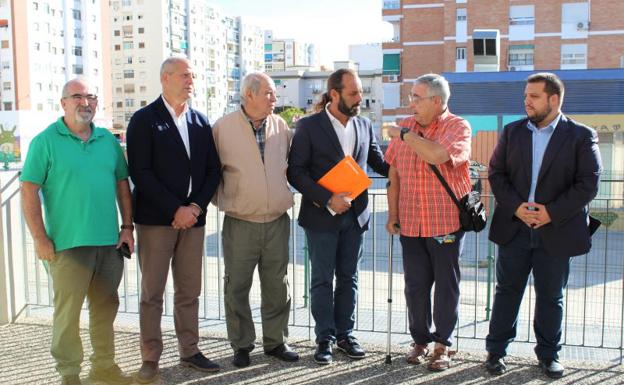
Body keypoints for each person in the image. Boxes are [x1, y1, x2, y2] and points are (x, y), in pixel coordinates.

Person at [485, 72, 602, 378]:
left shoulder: (580, 135)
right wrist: (517, 207)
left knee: (551, 296)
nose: (526, 101)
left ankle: (549, 355)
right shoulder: (512, 132)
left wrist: (552, 212)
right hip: (516, 227)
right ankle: (496, 352)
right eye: (525, 96)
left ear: (554, 99)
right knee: (507, 291)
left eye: (533, 96)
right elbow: (496, 173)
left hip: (556, 229)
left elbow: (588, 183)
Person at [21, 79, 133, 385]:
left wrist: (127, 228)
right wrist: (40, 238)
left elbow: (123, 185)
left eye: (91, 97)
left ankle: (104, 367)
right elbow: (29, 191)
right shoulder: (45, 141)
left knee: (105, 307)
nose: (86, 102)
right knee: (67, 313)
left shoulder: (107, 141)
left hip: (109, 244)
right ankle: (69, 374)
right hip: (66, 245)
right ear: (64, 103)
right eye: (78, 97)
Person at [126, 57, 221, 383]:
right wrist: (174, 209)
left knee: (189, 291)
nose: (190, 80)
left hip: (193, 221)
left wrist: (194, 207)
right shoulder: (144, 119)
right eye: (185, 75)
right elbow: (141, 172)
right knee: (152, 293)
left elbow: (213, 171)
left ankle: (190, 350)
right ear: (166, 78)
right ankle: (150, 357)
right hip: (156, 221)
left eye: (192, 75)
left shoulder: (199, 120)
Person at [287, 68, 389, 365]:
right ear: (334, 94)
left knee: (349, 278)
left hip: (355, 217)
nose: (360, 98)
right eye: (354, 93)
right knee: (321, 280)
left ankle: (345, 335)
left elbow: (378, 162)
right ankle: (325, 339)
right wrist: (327, 198)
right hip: (321, 216)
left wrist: (409, 164)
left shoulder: (365, 125)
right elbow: (296, 172)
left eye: (360, 92)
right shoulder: (308, 126)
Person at [385, 74, 472, 372]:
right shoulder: (406, 125)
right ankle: (419, 340)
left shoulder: (457, 126)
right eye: (411, 96)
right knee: (415, 286)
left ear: (437, 101)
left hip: (445, 223)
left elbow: (437, 155)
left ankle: (442, 345)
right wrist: (393, 216)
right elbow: (393, 175)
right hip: (410, 223)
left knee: (446, 287)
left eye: (416, 97)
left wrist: (405, 135)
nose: (411, 103)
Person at [212, 72, 298, 368]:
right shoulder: (222, 128)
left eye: (274, 94)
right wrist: (230, 199)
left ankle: (276, 342)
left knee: (277, 285)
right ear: (249, 95)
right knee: (236, 286)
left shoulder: (281, 126)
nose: (275, 99)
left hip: (276, 220)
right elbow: (210, 173)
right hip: (240, 222)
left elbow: (290, 166)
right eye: (270, 94)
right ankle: (241, 344)